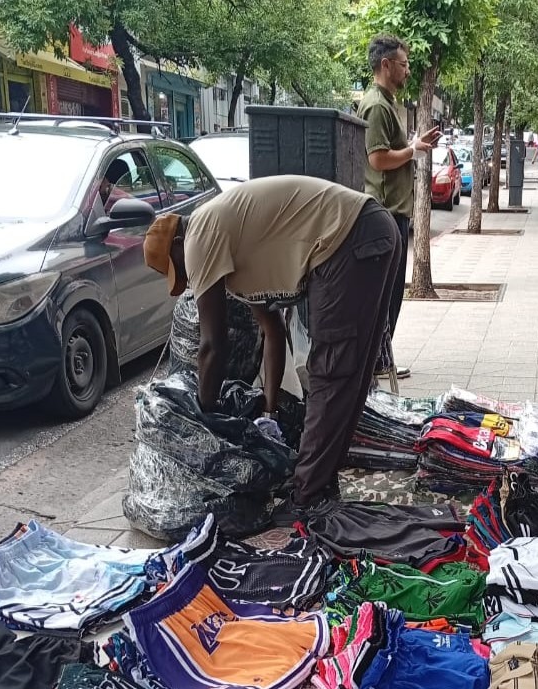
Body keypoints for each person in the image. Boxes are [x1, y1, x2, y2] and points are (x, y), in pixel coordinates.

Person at [143, 175, 402, 521]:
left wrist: (204, 417)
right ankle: (321, 483)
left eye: (179, 270)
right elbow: (272, 332)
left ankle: (307, 495)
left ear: (178, 243)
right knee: (348, 375)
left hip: (349, 239)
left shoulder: (199, 235)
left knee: (330, 372)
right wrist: (269, 410)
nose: (187, 279)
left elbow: (212, 345)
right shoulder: (229, 242)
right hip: (370, 231)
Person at [357, 34, 439, 380]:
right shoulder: (376, 105)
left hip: (393, 212)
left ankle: (381, 359)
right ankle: (376, 361)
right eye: (403, 65)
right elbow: (377, 159)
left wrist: (413, 147)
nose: (407, 71)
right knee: (385, 297)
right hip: (385, 213)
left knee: (390, 296)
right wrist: (414, 149)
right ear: (386, 65)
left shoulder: (387, 102)